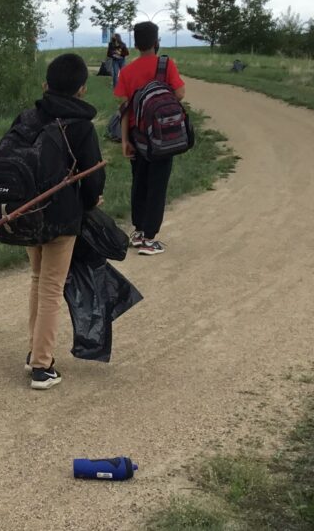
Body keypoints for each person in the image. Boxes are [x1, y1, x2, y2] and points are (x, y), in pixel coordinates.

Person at [17, 53, 105, 389]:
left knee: (38, 280)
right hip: (61, 219)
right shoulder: (81, 127)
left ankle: (34, 351)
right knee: (53, 287)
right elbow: (93, 175)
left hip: (25, 214)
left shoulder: (27, 118)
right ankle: (42, 365)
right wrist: (90, 201)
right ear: (82, 90)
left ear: (46, 86)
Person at [114, 21, 186, 256]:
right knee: (158, 185)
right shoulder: (166, 65)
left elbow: (124, 109)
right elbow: (179, 93)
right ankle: (149, 238)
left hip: (137, 136)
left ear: (135, 45)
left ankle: (138, 230)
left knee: (140, 183)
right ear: (157, 42)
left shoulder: (126, 72)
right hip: (161, 137)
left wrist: (124, 140)